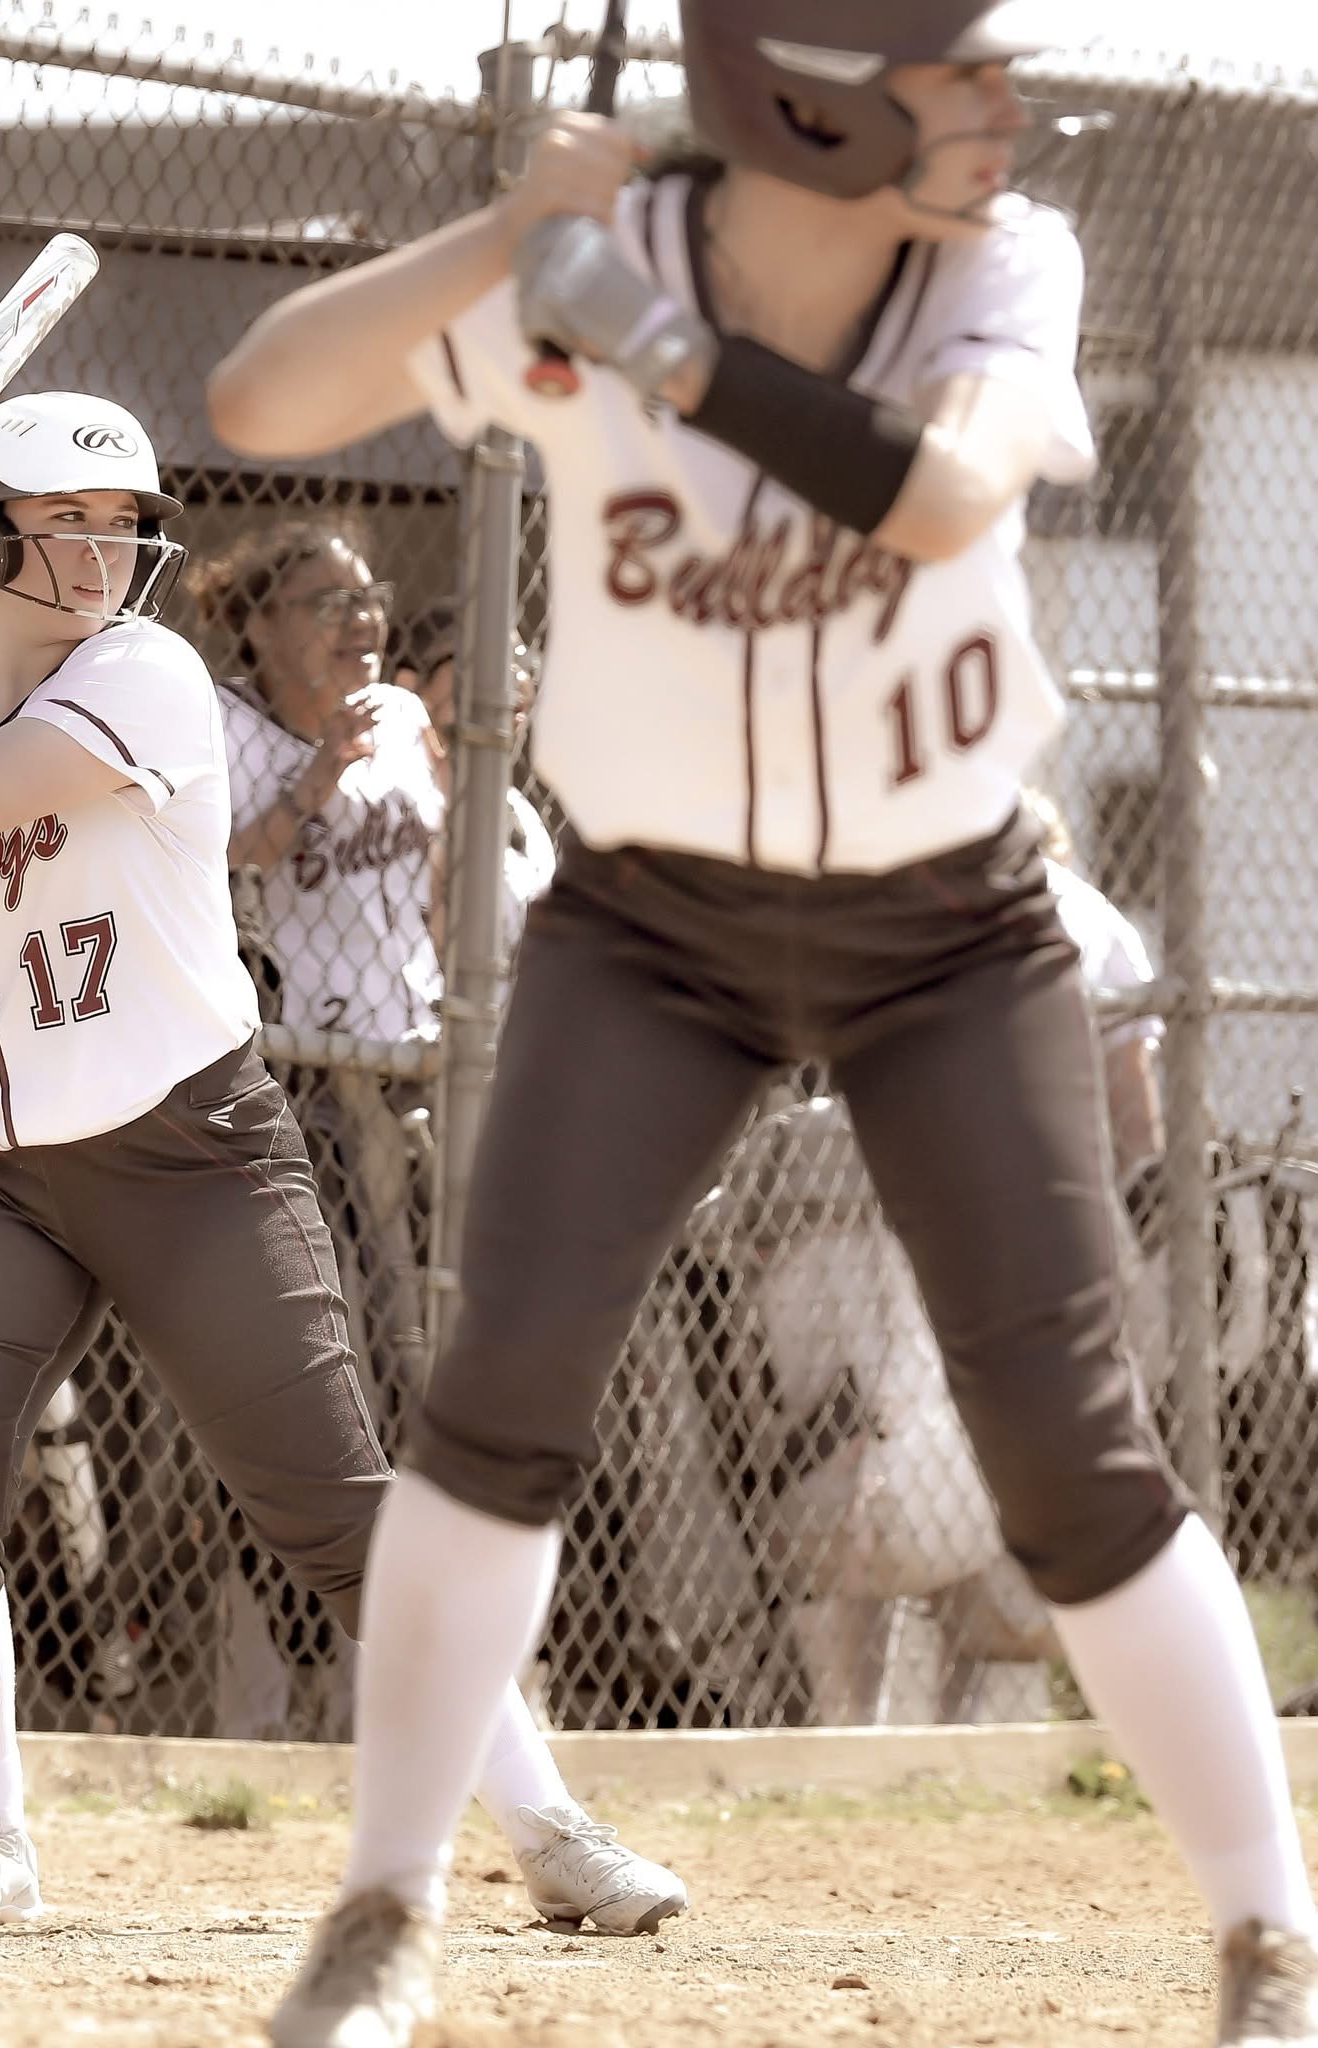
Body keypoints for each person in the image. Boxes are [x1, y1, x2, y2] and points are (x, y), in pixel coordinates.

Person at [207, 6, 1318, 2044]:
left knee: (1069, 1448)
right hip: (657, 927)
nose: (1000, 104)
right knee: (500, 1395)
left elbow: (939, 497)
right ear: (801, 97)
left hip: (947, 927)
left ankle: (1269, 1942)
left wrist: (650, 341)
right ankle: (382, 1912)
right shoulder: (601, 254)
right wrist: (508, 235)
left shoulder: (997, 260)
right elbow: (261, 395)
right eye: (950, 70)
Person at [0, 388, 684, 1934]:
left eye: (120, 527)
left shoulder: (147, 675)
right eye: (60, 525)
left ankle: (547, 1828)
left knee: (332, 1506)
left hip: (186, 1154)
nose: (96, 555)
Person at [192, 522, 442, 1415]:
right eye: (330, 604)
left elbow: (445, 865)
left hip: (424, 1044)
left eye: (369, 599)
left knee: (450, 1303)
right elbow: (225, 862)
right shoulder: (223, 727)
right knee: (368, 1324)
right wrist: (319, 775)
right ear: (260, 626)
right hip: (310, 1066)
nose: (361, 621)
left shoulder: (403, 717)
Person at [387, 602, 556, 965]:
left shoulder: (522, 813)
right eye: (484, 661)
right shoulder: (386, 798)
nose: (514, 679)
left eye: (521, 662)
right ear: (410, 684)